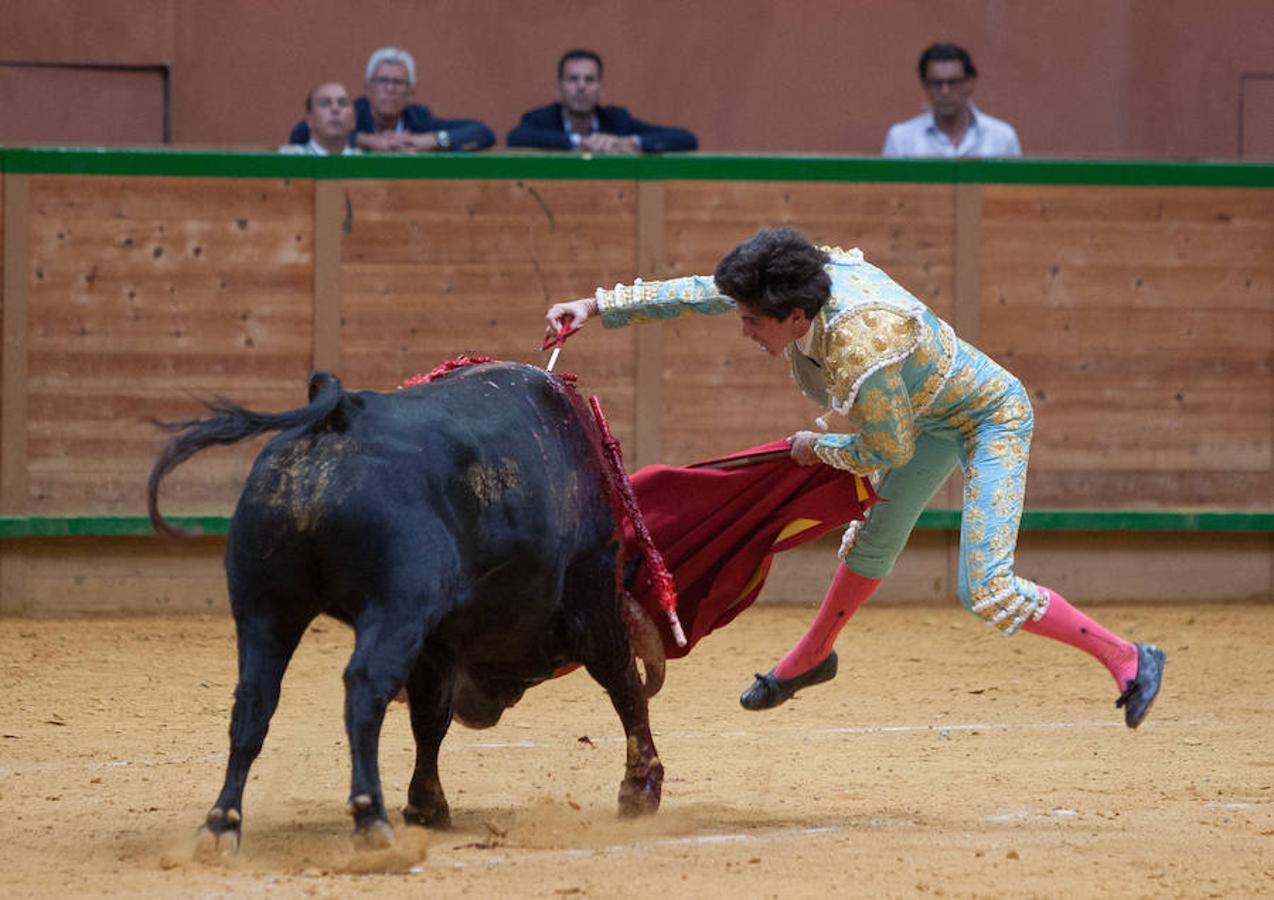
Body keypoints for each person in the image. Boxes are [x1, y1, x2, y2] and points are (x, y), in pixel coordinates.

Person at [545, 228, 1165, 728]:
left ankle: (1129, 658)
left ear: (793, 318)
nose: (743, 331)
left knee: (988, 588)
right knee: (872, 542)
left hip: (987, 418)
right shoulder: (799, 283)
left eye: (754, 322)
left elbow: (884, 446)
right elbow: (704, 292)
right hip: (925, 412)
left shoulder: (859, 348)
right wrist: (596, 306)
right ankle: (812, 657)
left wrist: (817, 447)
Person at [288, 47, 494, 152]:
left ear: (411, 92)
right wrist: (363, 141)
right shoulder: (352, 114)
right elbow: (299, 135)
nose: (389, 89)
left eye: (398, 83)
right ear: (367, 89)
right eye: (382, 81)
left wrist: (427, 140)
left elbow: (483, 132)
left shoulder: (419, 119)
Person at [507, 49, 698, 153]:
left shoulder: (616, 120)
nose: (581, 87)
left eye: (589, 80)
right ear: (559, 89)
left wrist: (630, 142)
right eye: (573, 79)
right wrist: (579, 143)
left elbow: (686, 138)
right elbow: (515, 137)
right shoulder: (542, 119)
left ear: (600, 89)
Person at [882, 43, 1021, 158]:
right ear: (925, 86)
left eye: (953, 82)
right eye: (936, 83)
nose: (945, 91)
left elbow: (1016, 189)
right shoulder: (901, 139)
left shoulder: (1002, 137)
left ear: (970, 83)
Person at [278, 83, 362, 156]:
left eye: (343, 103)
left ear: (353, 121)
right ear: (309, 119)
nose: (335, 109)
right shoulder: (288, 160)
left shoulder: (366, 164)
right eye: (325, 103)